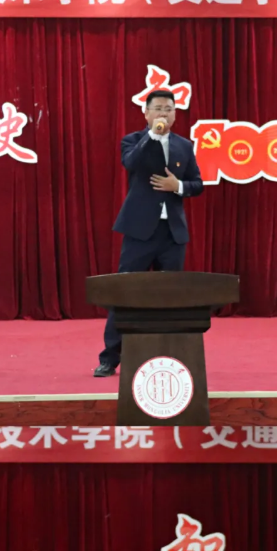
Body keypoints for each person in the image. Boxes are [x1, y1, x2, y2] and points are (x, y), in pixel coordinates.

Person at [93, 89, 204, 377]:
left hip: (173, 234)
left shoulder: (184, 146)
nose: (163, 113)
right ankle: (110, 358)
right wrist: (153, 136)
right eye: (158, 109)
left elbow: (197, 184)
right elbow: (130, 163)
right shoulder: (133, 140)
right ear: (146, 113)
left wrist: (177, 186)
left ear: (175, 114)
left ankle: (173, 355)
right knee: (125, 292)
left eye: (169, 109)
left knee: (171, 297)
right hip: (139, 230)